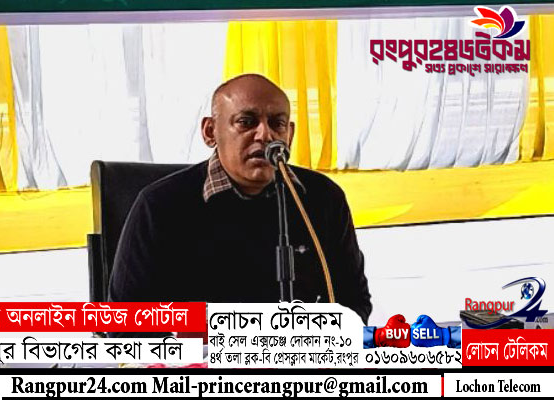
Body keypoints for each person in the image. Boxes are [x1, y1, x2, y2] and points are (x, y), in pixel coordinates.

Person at [108, 74, 372, 324]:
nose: (265, 135)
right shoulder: (160, 206)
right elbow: (125, 321)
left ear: (289, 135)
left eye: (277, 124)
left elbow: (353, 302)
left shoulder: (322, 198)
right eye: (246, 122)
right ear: (210, 131)